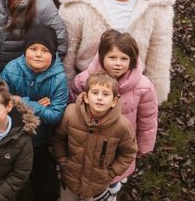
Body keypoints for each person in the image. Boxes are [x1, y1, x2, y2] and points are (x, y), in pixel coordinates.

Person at [58, 0, 175, 102]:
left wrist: (153, 96)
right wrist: (66, 93)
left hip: (133, 88)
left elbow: (159, 54)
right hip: (87, 86)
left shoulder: (156, 7)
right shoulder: (78, 4)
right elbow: (68, 52)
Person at [69, 31, 158, 189]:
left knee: (113, 177)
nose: (118, 63)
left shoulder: (143, 87)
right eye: (112, 58)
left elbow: (147, 120)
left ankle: (113, 190)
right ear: (102, 57)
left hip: (119, 145)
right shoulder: (84, 81)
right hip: (88, 143)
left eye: (124, 59)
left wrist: (143, 146)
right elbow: (71, 110)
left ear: (132, 61)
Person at [0, 26, 69, 199]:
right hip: (12, 136)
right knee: (11, 180)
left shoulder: (58, 78)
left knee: (42, 182)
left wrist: (22, 101)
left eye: (45, 50)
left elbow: (54, 115)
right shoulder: (11, 69)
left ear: (53, 53)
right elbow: (0, 102)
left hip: (40, 140)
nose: (38, 54)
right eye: (33, 49)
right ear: (25, 50)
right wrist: (39, 106)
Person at [55, 72, 139, 201]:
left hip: (97, 185)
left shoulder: (122, 126)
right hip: (70, 179)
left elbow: (128, 153)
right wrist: (62, 160)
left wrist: (110, 173)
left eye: (105, 94)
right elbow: (59, 138)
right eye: (95, 93)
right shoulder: (70, 114)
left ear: (114, 101)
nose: (99, 98)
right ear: (86, 97)